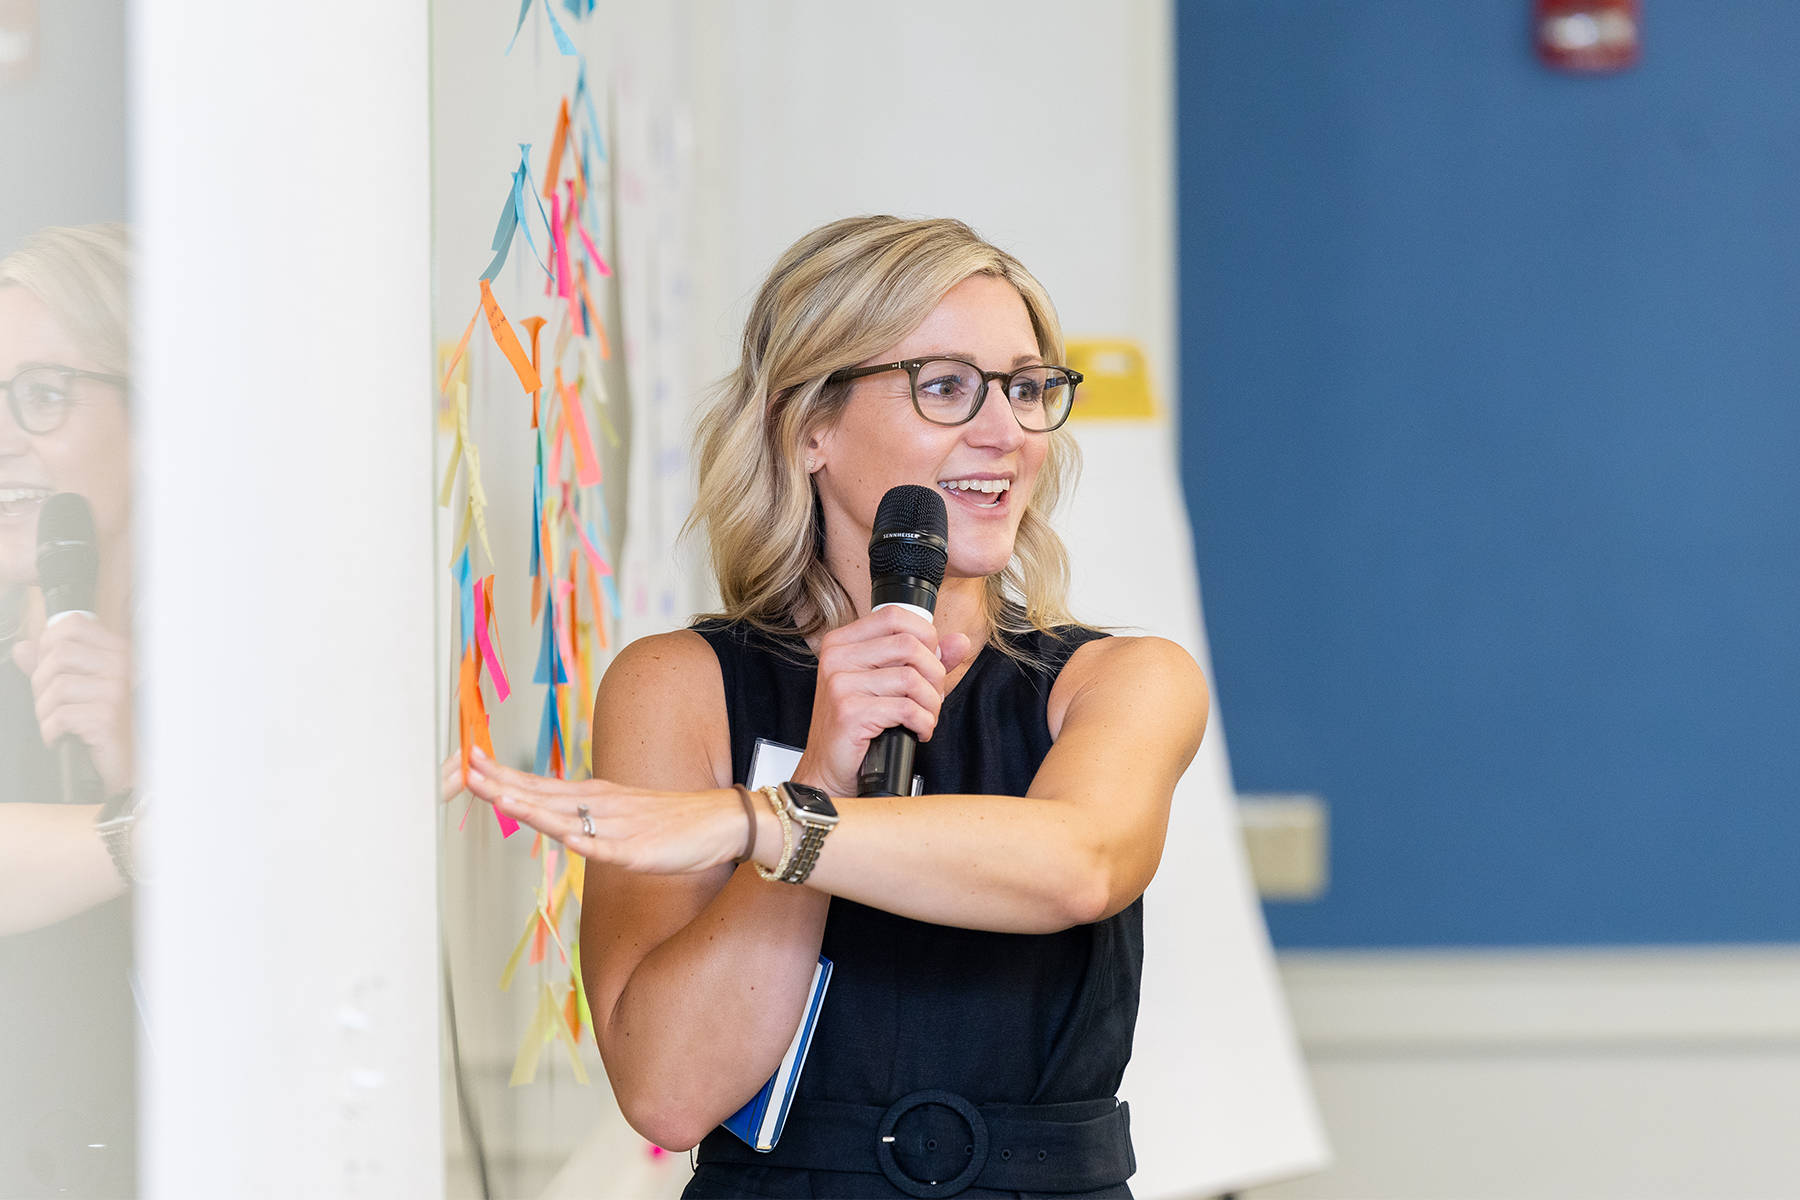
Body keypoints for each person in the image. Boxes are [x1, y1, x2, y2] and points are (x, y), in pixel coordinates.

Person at [464, 216, 1207, 1199]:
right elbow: (670, 1096)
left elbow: (1078, 866)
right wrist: (816, 775)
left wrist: (755, 823)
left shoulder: (1123, 679)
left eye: (1028, 389)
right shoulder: (679, 685)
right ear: (808, 426)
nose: (1005, 433)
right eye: (945, 387)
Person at [0, 223, 139, 1199]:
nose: (4, 436)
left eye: (41, 397)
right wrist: (147, 831)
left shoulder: (245, 685)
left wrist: (136, 764)